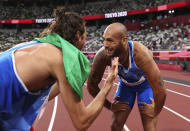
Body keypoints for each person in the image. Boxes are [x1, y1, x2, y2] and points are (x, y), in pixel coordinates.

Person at [0, 7, 119, 131]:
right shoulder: (65, 58)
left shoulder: (35, 45)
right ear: (78, 36)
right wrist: (108, 84)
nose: (85, 42)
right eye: (85, 37)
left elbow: (41, 94)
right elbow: (82, 122)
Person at [87, 22, 167, 131]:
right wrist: (110, 106)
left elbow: (161, 90)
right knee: (115, 126)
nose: (105, 45)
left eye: (110, 40)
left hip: (145, 85)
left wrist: (155, 112)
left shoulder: (140, 54)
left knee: (149, 126)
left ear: (124, 40)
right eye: (104, 40)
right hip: (126, 85)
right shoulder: (102, 56)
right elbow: (91, 86)